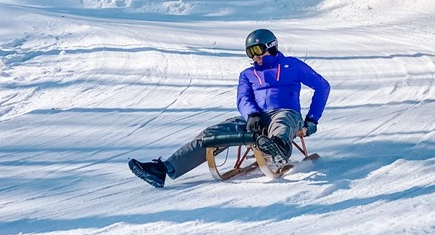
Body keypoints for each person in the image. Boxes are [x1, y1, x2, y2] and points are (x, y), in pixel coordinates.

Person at [128, 29, 331, 188]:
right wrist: (251, 114)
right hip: (255, 118)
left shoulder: (291, 65)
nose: (254, 57)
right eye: (250, 53)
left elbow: (322, 86)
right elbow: (243, 98)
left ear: (271, 47)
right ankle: (163, 169)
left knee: (282, 121)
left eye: (257, 51)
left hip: (286, 113)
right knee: (212, 133)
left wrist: (311, 120)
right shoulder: (247, 74)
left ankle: (277, 150)